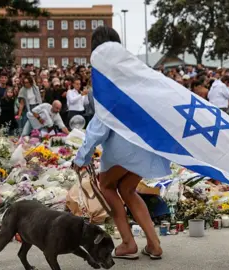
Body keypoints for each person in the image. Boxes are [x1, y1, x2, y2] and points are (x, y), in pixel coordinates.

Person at [73, 26, 165, 260]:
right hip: (146, 144)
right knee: (127, 189)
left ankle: (127, 243)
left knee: (106, 187)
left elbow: (101, 123)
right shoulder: (137, 72)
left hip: (123, 147)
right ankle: (154, 244)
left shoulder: (106, 78)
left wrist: (82, 157)